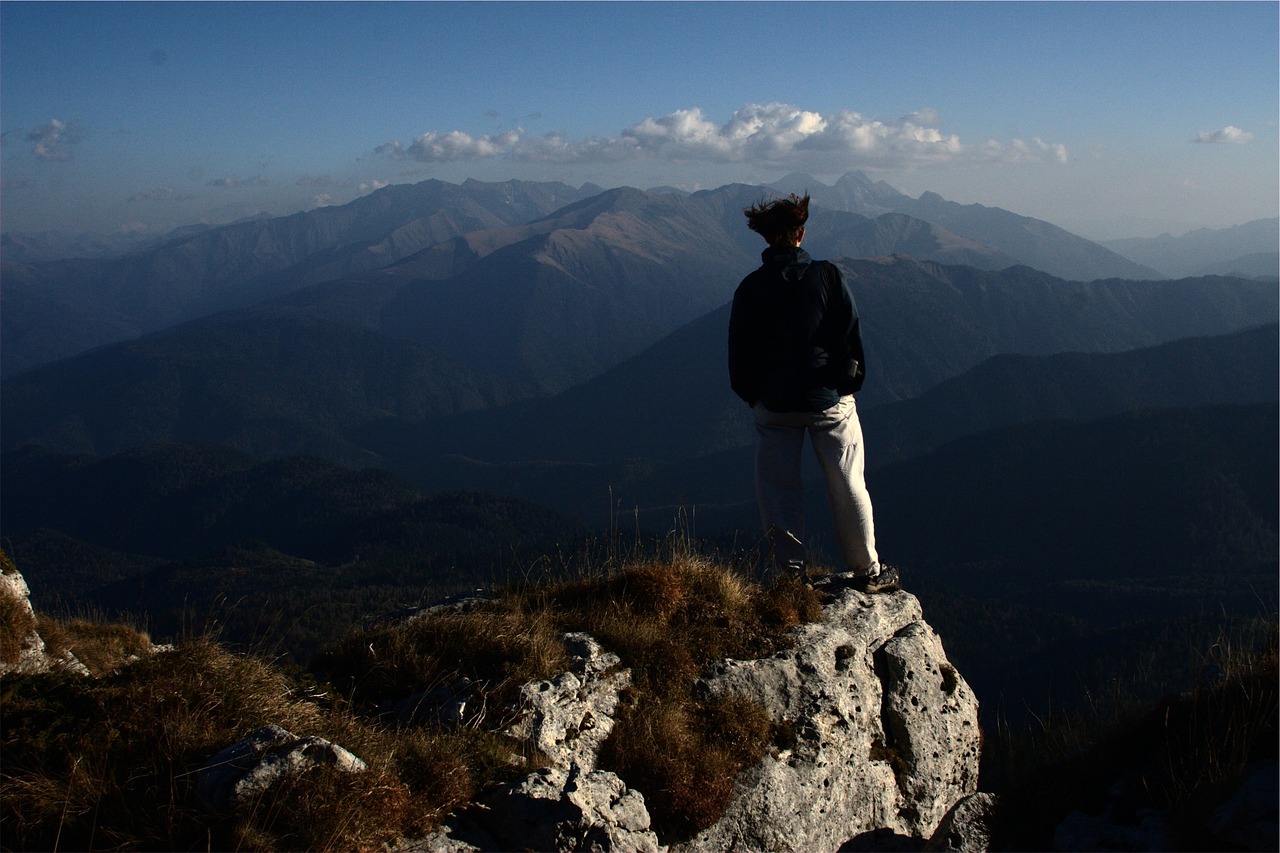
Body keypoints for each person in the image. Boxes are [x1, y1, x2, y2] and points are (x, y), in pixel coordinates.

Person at [727, 192, 899, 592]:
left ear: (767, 239)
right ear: (801, 233)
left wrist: (755, 396)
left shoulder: (750, 287)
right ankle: (868, 571)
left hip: (774, 405)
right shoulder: (828, 276)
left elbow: (739, 351)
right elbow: (850, 336)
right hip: (828, 401)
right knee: (847, 481)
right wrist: (847, 386)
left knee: (778, 489)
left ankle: (791, 579)